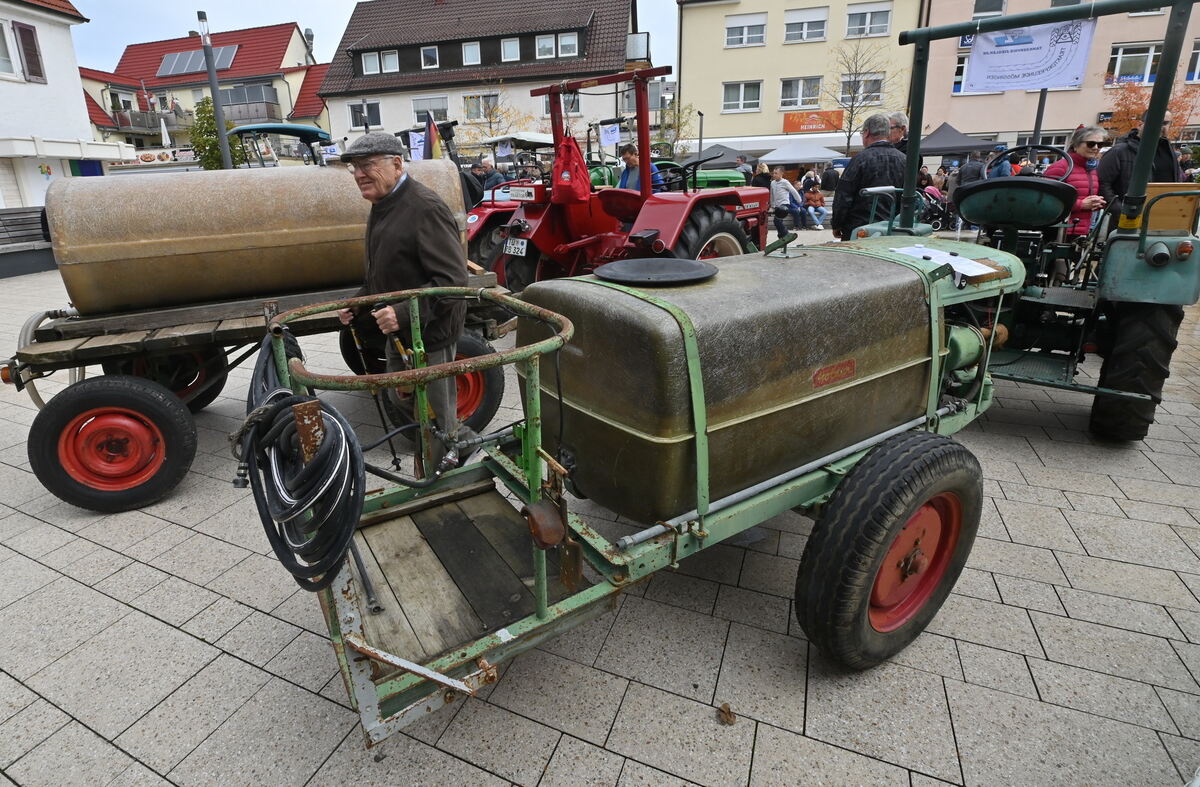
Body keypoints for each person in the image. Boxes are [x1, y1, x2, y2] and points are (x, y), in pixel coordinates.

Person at [336, 133, 469, 464]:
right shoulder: (382, 205)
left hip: (430, 331)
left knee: (436, 412)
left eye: (367, 165)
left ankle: (445, 473)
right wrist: (359, 301)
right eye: (354, 167)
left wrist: (403, 312)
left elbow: (453, 281)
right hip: (403, 331)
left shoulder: (424, 207)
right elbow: (386, 273)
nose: (358, 174)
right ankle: (457, 443)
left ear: (396, 164)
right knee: (401, 396)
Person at [831, 114, 906, 239]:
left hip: (859, 229)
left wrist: (837, 224)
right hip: (890, 228)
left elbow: (844, 195)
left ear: (866, 133)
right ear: (887, 133)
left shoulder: (860, 160)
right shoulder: (904, 160)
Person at [1099, 109, 1184, 211]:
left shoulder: (1169, 152)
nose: (1160, 126)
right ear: (1140, 125)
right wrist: (1120, 210)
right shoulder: (1120, 151)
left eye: (1165, 123)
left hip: (1163, 215)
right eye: (1155, 122)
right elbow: (1103, 183)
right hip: (1129, 219)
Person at [1043, 125, 1108, 238]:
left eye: (1100, 144)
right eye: (1091, 143)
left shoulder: (1092, 169)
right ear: (1076, 145)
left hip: (1082, 231)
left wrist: (1097, 203)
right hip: (1059, 232)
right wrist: (1081, 204)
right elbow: (1046, 201)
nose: (1096, 147)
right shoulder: (1061, 167)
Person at [770, 166, 805, 237]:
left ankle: (785, 234)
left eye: (776, 173)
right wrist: (772, 205)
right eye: (773, 173)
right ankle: (781, 235)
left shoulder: (785, 182)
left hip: (784, 205)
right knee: (778, 222)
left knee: (777, 221)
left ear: (781, 174)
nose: (774, 175)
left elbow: (793, 191)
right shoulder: (772, 183)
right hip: (777, 205)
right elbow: (772, 194)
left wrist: (799, 200)